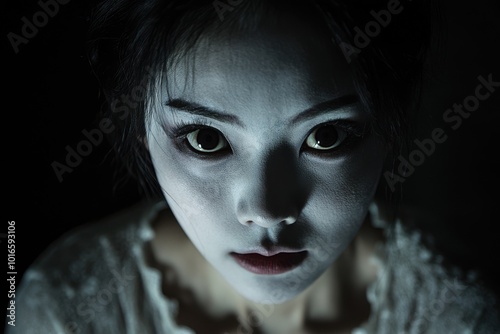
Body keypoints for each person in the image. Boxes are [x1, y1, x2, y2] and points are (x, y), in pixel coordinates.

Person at [6, 0, 499, 333]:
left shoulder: (457, 309)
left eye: (326, 137)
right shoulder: (63, 310)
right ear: (140, 130)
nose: (266, 210)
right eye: (206, 139)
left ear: (389, 131)